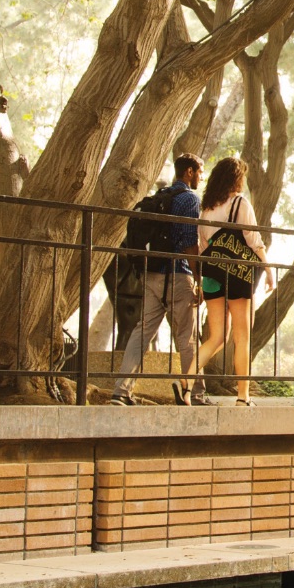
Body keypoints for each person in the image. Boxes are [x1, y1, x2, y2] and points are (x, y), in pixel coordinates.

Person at [110, 154, 204, 406]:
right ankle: (195, 394)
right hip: (178, 274)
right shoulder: (190, 199)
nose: (201, 177)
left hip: (152, 275)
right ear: (189, 172)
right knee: (187, 337)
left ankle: (121, 390)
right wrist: (199, 277)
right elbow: (189, 242)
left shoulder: (159, 199)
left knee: (141, 333)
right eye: (199, 172)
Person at [193, 157, 273, 406]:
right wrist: (268, 269)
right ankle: (243, 396)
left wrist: (201, 280)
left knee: (215, 338)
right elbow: (253, 239)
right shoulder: (240, 204)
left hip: (212, 275)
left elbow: (203, 246)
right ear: (237, 179)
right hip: (238, 276)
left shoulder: (206, 208)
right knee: (242, 337)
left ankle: (185, 381)